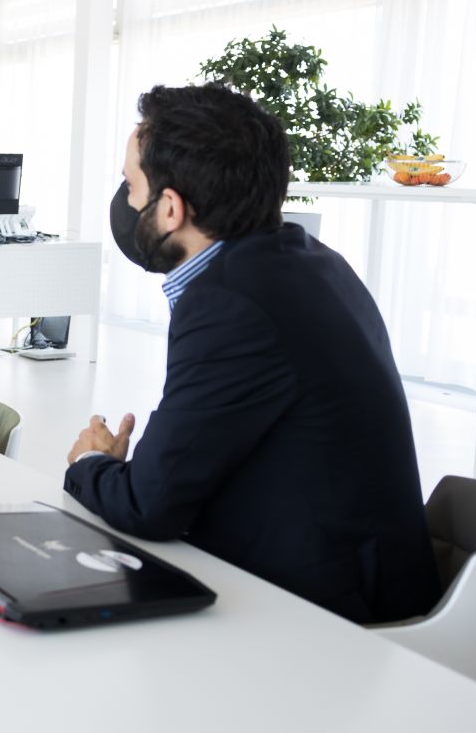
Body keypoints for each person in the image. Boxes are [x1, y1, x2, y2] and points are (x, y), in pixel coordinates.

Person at [64, 83, 440, 625]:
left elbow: (150, 505)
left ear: (169, 208)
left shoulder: (229, 303)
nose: (124, 203)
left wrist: (90, 463)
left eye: (130, 186)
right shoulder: (308, 260)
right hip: (361, 575)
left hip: (331, 621)